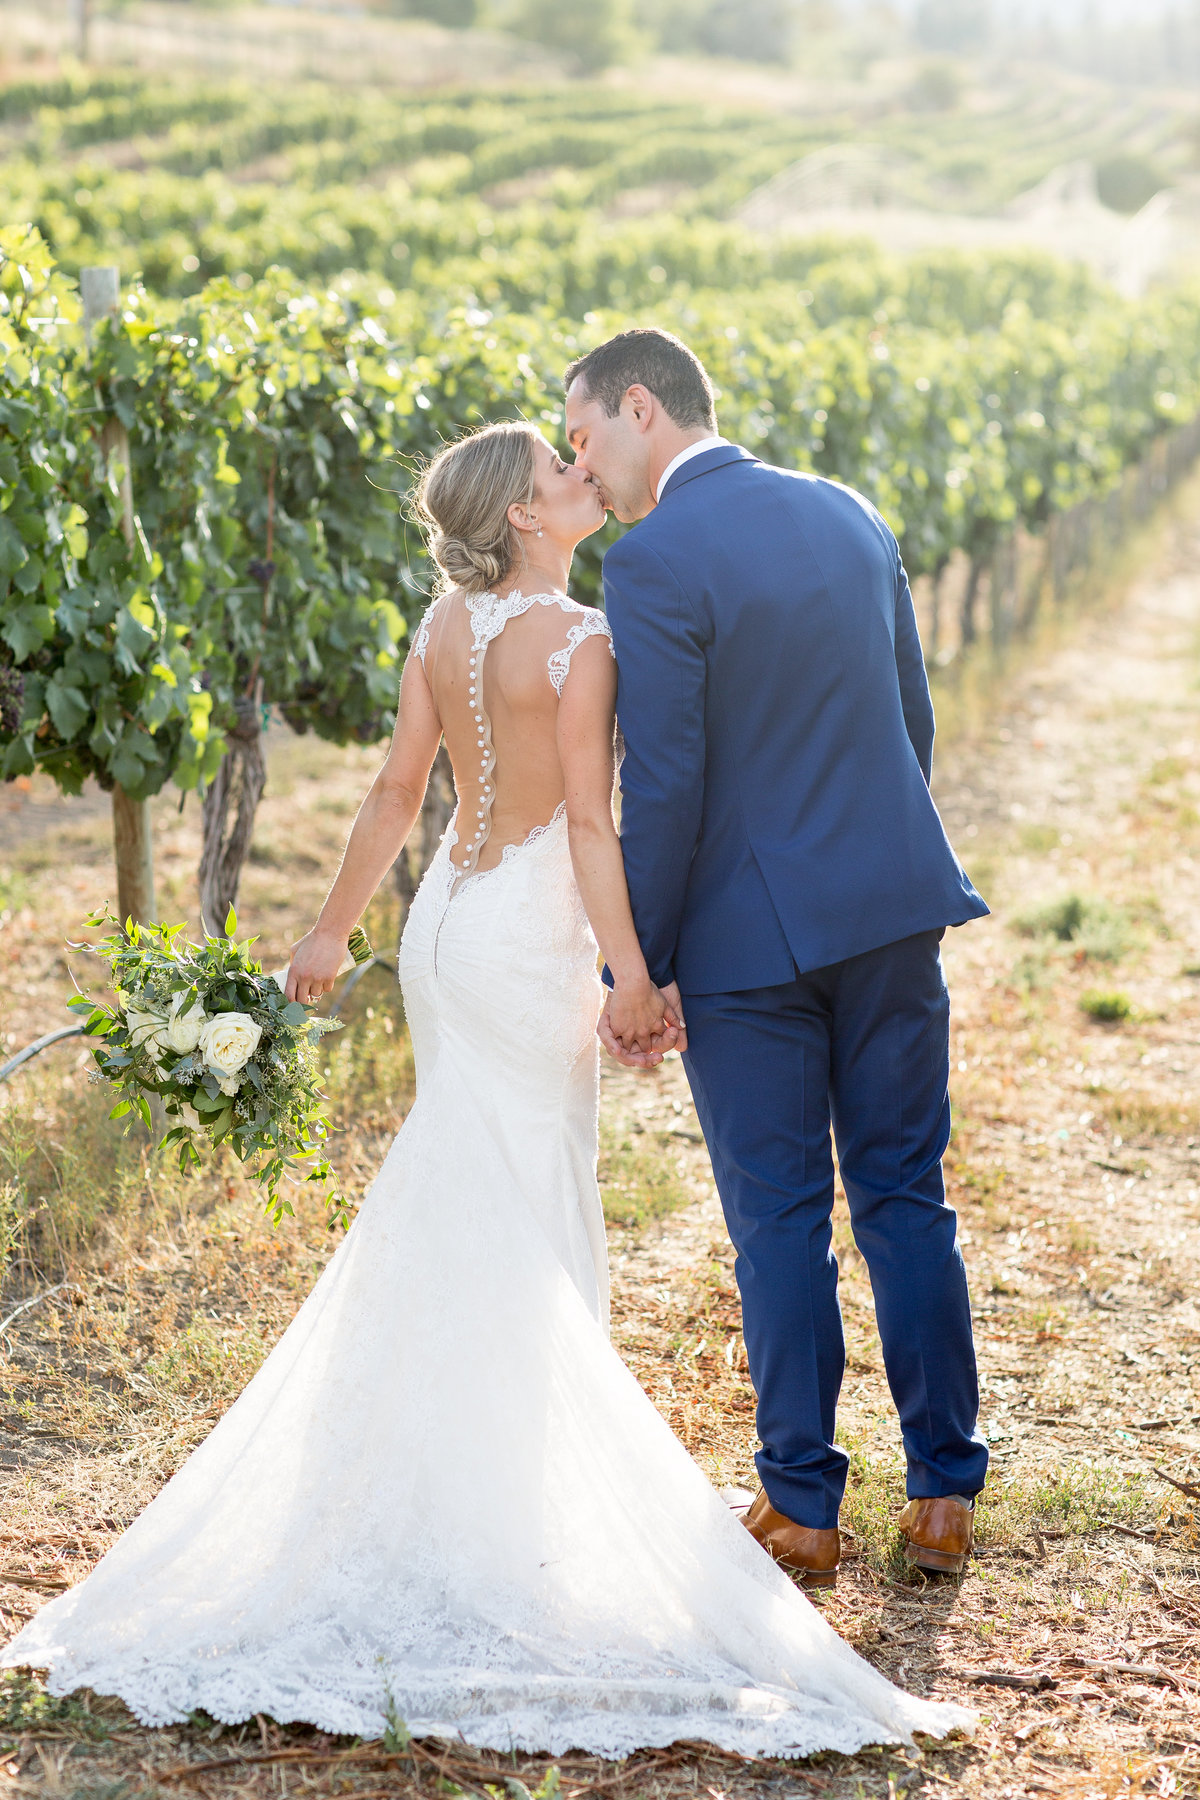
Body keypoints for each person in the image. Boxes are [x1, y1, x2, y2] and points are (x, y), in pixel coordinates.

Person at [0, 421, 972, 1758]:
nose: (585, 479)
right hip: (527, 935)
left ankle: (452, 1483)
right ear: (522, 515)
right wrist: (634, 973)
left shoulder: (442, 624)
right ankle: (518, 1499)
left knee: (463, 1184)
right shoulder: (580, 641)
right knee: (523, 1198)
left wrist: (329, 931)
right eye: (559, 474)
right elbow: (587, 822)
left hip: (444, 926)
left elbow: (401, 789)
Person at [564, 329, 990, 1592]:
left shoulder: (653, 561)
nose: (582, 462)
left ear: (641, 408)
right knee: (908, 1195)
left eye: (582, 433)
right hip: (889, 909)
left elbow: (673, 786)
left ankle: (803, 1507)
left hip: (751, 946)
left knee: (782, 1222)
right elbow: (911, 717)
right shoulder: (848, 512)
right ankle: (944, 1494)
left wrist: (633, 967)